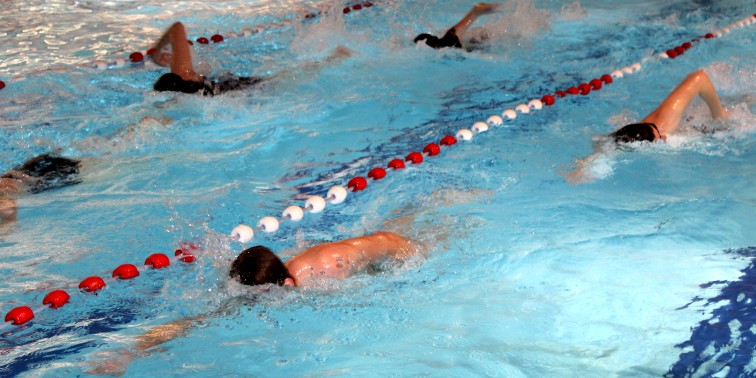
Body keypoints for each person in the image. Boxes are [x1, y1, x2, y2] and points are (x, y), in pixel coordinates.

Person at [566, 70, 729, 184]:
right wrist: (581, 170)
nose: (663, 138)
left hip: (716, 111)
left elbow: (699, 77)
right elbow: (602, 152)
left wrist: (719, 116)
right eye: (659, 138)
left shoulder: (666, 121)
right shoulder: (617, 140)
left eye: (659, 134)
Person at [151, 22, 351, 95]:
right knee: (285, 78)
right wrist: (160, 52)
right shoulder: (184, 73)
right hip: (238, 88)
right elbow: (177, 27)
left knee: (286, 79)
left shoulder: (186, 82)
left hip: (232, 91)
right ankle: (334, 57)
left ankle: (333, 59)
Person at [414, 3, 499, 50]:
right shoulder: (447, 43)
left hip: (484, 41)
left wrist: (476, 12)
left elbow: (454, 31)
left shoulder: (448, 43)